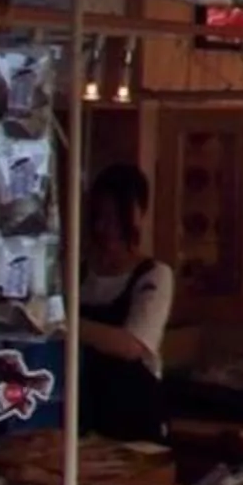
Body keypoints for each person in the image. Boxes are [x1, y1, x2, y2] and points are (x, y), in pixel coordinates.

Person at [77, 163, 173, 442]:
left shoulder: (154, 275)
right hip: (86, 410)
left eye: (117, 218)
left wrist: (67, 325)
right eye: (101, 217)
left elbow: (132, 345)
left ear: (139, 214)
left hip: (136, 415)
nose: (107, 228)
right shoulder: (78, 271)